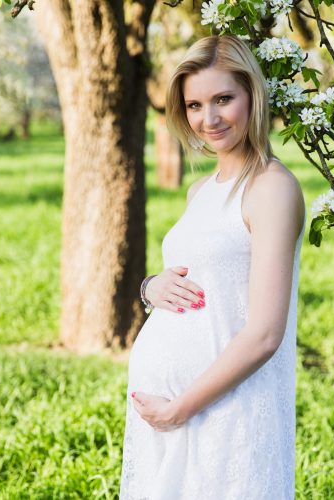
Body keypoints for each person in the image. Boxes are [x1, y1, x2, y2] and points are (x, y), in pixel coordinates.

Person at [119, 34, 305, 499]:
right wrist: (150, 287)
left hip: (225, 412)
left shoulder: (270, 189)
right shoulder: (200, 191)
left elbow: (265, 333)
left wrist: (181, 408)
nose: (210, 118)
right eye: (196, 104)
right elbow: (197, 278)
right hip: (170, 415)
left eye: (224, 99)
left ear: (253, 96)